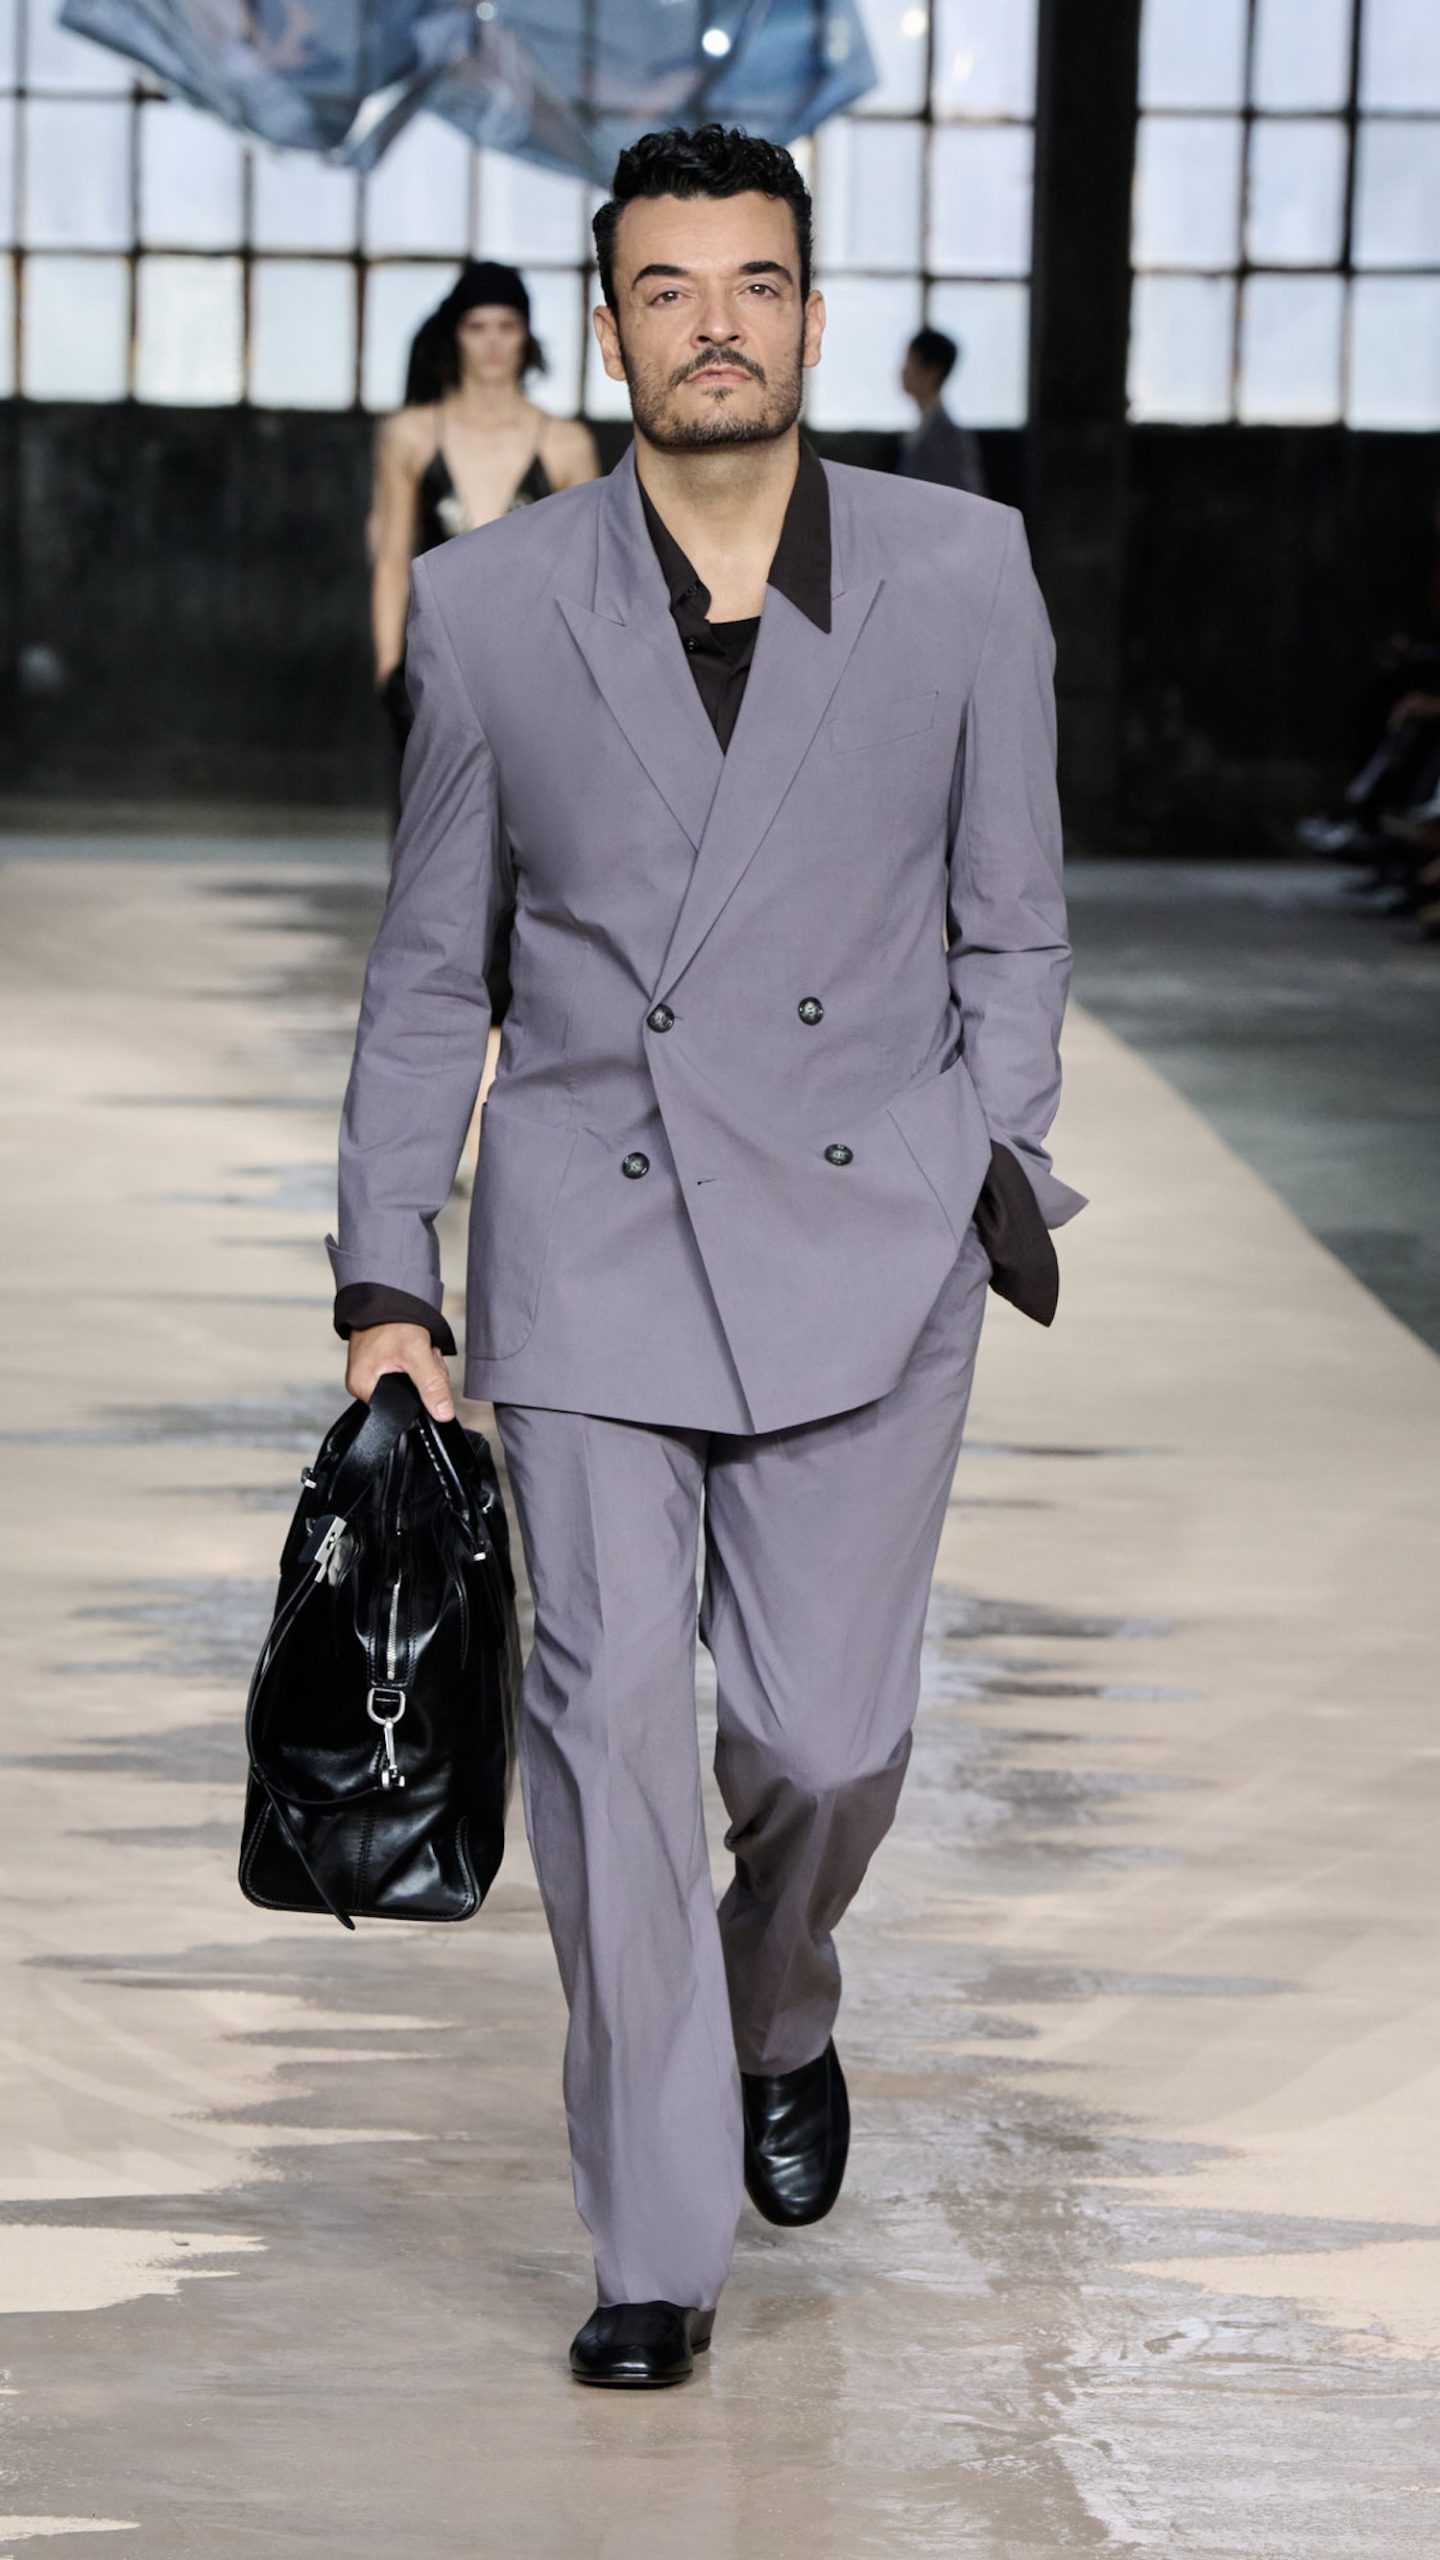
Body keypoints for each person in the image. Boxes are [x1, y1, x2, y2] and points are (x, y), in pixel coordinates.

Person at [330, 122, 1083, 2388]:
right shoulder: (495, 608)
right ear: (609, 328)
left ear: (812, 317)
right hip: (595, 1232)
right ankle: (651, 2246)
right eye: (668, 289)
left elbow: (1013, 912)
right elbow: (431, 968)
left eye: (754, 282)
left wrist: (987, 1148)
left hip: (875, 1224)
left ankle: (780, 1999)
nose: (716, 324)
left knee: (826, 1741)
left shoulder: (961, 573)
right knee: (606, 1740)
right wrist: (387, 1275)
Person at [368, 259, 599, 769]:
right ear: (455, 336)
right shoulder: (410, 436)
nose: (492, 342)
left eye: (506, 326)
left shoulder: (565, 444)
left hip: (535, 671)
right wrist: (389, 674)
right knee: (434, 816)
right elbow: (391, 559)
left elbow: (585, 572)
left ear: (526, 335)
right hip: (436, 665)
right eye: (477, 327)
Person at [899, 325, 987, 497]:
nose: (903, 370)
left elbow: (966, 497)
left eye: (911, 361)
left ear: (933, 372)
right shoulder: (925, 427)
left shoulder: (947, 436)